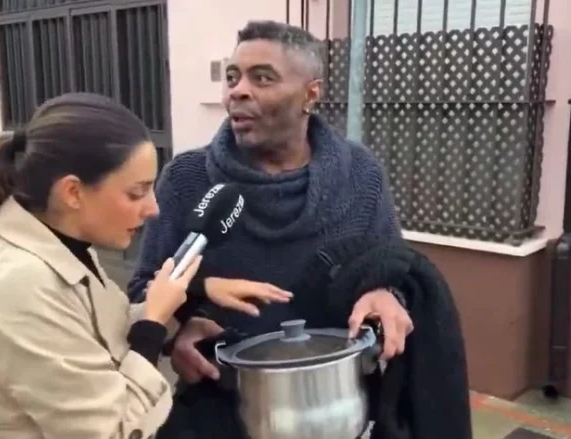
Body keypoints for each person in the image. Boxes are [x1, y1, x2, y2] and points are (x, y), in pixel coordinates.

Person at [0, 93, 289, 439]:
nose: (153, 209)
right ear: (73, 193)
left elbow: (97, 336)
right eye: (136, 192)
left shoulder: (60, 245)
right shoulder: (22, 283)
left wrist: (192, 295)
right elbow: (110, 431)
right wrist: (154, 323)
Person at [127, 21, 415, 437]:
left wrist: (384, 294)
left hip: (336, 408)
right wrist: (177, 334)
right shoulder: (186, 180)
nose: (238, 91)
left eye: (262, 78)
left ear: (310, 94)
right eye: (233, 77)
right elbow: (144, 290)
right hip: (220, 405)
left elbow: (393, 270)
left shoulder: (360, 176)